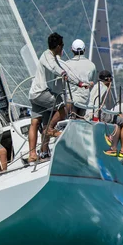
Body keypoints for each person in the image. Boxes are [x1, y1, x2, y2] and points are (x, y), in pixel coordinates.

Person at [28, 32, 82, 162]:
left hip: (36, 94)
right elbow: (54, 68)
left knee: (37, 122)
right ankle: (50, 131)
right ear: (58, 46)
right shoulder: (47, 55)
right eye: (62, 45)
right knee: (63, 108)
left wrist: (80, 83)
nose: (63, 48)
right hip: (40, 93)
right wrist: (62, 73)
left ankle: (40, 153)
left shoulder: (55, 59)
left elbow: (67, 72)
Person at [64, 39, 96, 118]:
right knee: (80, 122)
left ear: (72, 50)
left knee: (70, 121)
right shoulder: (91, 65)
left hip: (70, 100)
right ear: (84, 50)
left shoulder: (66, 64)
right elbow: (91, 83)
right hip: (84, 101)